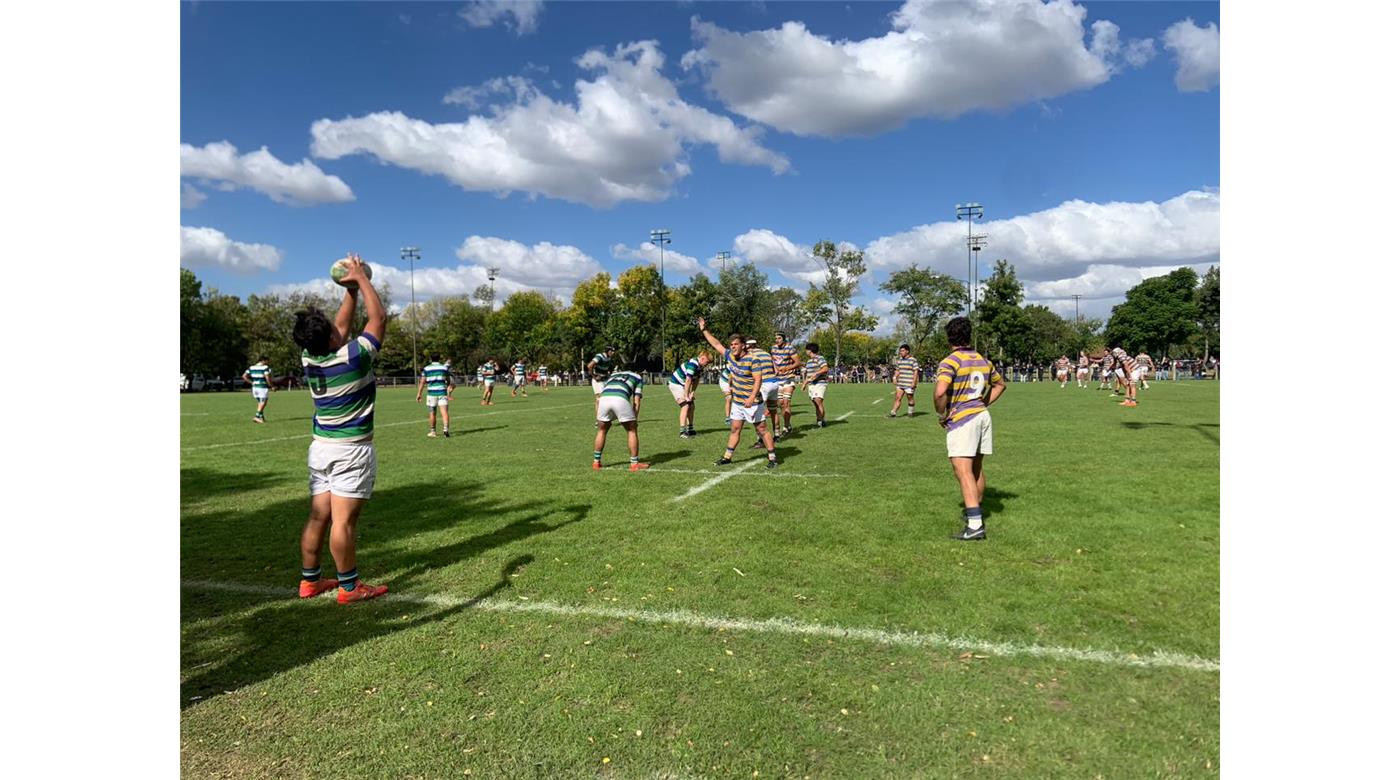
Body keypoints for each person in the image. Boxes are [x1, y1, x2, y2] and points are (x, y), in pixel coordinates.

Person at [292, 254, 389, 603]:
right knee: (343, 523)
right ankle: (349, 587)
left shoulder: (310, 357)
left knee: (319, 517)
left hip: (321, 448)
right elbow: (378, 318)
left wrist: (348, 292)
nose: (337, 328)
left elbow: (340, 329)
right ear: (331, 338)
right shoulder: (354, 358)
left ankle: (310, 581)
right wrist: (361, 278)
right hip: (351, 451)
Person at [933, 317, 1006, 542]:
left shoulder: (950, 361)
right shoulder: (983, 360)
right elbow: (1000, 384)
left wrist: (942, 413)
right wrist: (983, 403)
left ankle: (975, 526)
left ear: (949, 337)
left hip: (963, 420)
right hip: (982, 416)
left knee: (962, 470)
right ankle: (975, 513)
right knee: (976, 469)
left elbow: (939, 392)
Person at [698, 318, 778, 469]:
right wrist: (704, 330)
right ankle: (727, 457)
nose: (733, 347)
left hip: (753, 403)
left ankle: (772, 457)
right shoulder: (730, 356)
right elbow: (715, 344)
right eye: (731, 345)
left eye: (736, 344)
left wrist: (752, 397)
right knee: (735, 428)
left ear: (743, 345)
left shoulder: (753, 360)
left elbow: (758, 380)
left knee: (761, 430)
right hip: (738, 402)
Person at [592, 366, 649, 472]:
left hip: (604, 399)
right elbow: (636, 400)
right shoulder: (637, 377)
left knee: (602, 430)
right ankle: (634, 464)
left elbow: (603, 392)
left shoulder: (613, 375)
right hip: (620, 398)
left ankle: (596, 462)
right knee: (631, 430)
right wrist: (634, 419)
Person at [667, 351, 711, 438]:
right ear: (703, 358)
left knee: (691, 405)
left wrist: (692, 392)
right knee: (685, 405)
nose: (707, 364)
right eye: (707, 362)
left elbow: (696, 380)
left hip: (683, 385)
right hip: (676, 384)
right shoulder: (693, 364)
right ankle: (682, 432)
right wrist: (687, 396)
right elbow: (688, 380)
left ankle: (690, 429)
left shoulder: (700, 366)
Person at [747, 339, 781, 446]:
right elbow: (776, 371)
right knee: (773, 411)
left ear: (748, 346)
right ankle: (777, 435)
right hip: (774, 383)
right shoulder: (766, 353)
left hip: (764, 384)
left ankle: (760, 439)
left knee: (757, 412)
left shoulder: (751, 354)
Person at [415, 354, 454, 438]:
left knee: (432, 413)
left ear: (431, 359)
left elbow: (422, 382)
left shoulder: (427, 368)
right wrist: (447, 386)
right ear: (439, 358)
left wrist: (419, 394)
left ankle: (433, 432)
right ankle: (446, 429)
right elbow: (448, 380)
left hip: (431, 393)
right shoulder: (444, 368)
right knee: (444, 412)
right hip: (442, 392)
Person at [770, 332, 800, 435]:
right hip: (778, 379)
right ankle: (788, 425)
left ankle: (786, 426)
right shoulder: (773, 348)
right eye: (776, 338)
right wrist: (775, 369)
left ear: (783, 339)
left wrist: (787, 368)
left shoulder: (790, 348)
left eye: (779, 338)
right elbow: (773, 361)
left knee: (786, 402)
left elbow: (798, 362)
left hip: (788, 378)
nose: (777, 340)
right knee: (781, 404)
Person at [800, 342, 830, 427]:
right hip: (812, 385)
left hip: (820, 383)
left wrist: (817, 373)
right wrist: (804, 384)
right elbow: (809, 375)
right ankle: (819, 420)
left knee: (818, 401)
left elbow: (825, 368)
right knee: (815, 403)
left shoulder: (819, 358)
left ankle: (821, 421)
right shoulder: (809, 361)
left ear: (810, 350)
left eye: (806, 349)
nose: (806, 351)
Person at [888, 344, 919, 418]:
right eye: (900, 351)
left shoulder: (913, 360)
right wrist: (895, 377)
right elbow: (897, 370)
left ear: (907, 351)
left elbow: (916, 372)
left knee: (910, 398)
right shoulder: (899, 360)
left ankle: (910, 412)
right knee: (897, 398)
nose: (901, 352)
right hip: (900, 383)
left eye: (902, 351)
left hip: (909, 383)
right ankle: (893, 412)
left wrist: (914, 382)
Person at [587, 346, 617, 421]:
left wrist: (608, 375)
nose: (613, 353)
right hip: (598, 381)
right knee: (599, 399)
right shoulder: (599, 356)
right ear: (607, 351)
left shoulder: (609, 358)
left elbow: (606, 369)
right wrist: (594, 376)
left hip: (605, 380)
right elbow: (590, 365)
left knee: (608, 397)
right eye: (612, 351)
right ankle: (599, 419)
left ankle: (607, 416)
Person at [243, 356, 273, 423]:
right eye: (267, 361)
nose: (268, 363)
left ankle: (261, 417)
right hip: (262, 387)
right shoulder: (265, 368)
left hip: (254, 387)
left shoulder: (251, 367)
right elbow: (267, 378)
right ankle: (257, 416)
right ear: (263, 360)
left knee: (260, 402)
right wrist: (271, 386)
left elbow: (244, 376)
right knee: (263, 402)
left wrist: (251, 382)